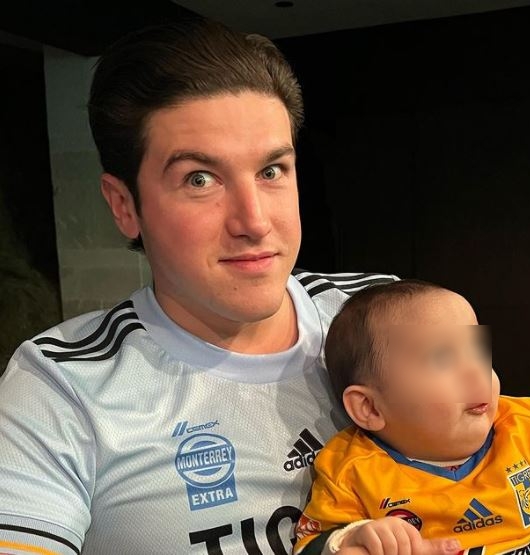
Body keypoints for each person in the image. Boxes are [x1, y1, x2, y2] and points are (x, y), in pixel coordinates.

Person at [0, 17, 464, 555]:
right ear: (124, 205)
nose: (254, 221)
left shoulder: (388, 312)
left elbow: (518, 473)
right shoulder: (61, 388)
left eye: (272, 171)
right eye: (200, 179)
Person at [293, 280, 530, 555]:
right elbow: (313, 543)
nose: (475, 371)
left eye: (478, 352)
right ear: (370, 408)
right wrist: (353, 539)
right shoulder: (349, 470)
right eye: (443, 358)